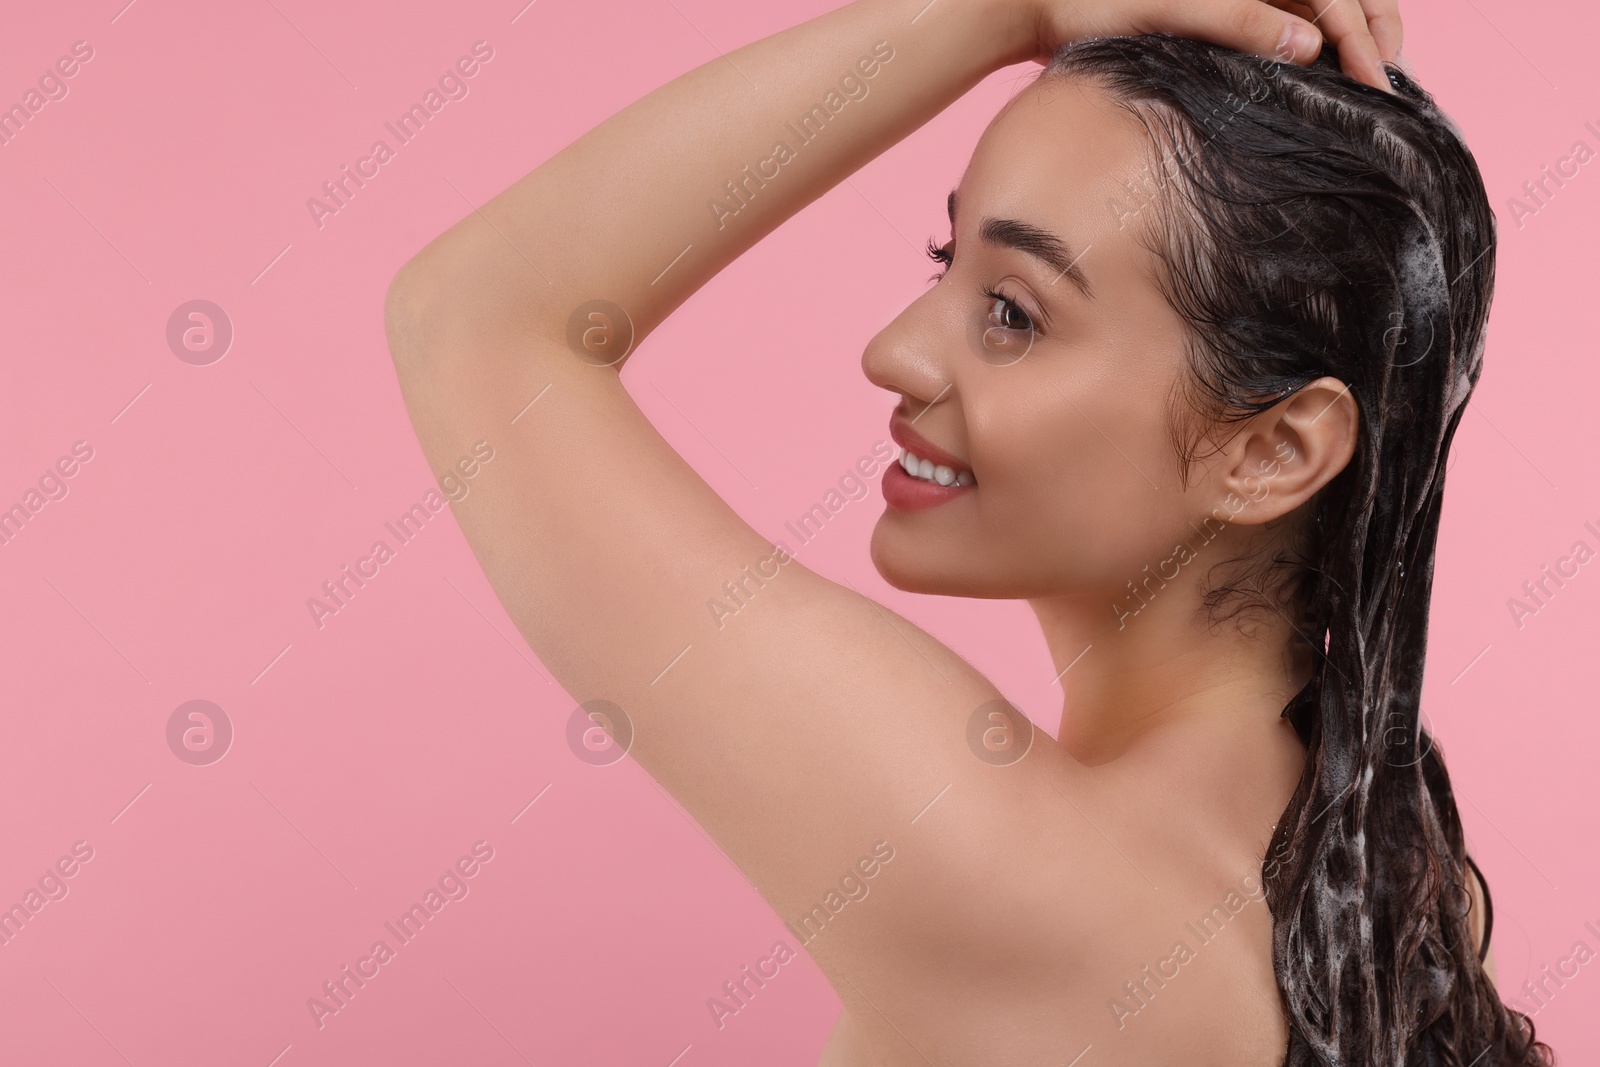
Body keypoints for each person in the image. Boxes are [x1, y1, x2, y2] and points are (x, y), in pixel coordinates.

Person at [382, 0, 1553, 1062]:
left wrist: (1006, 10)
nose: (893, 349)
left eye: (1011, 311)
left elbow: (477, 319)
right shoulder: (1397, 888)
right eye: (947, 263)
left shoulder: (1017, 871)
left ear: (1272, 451)